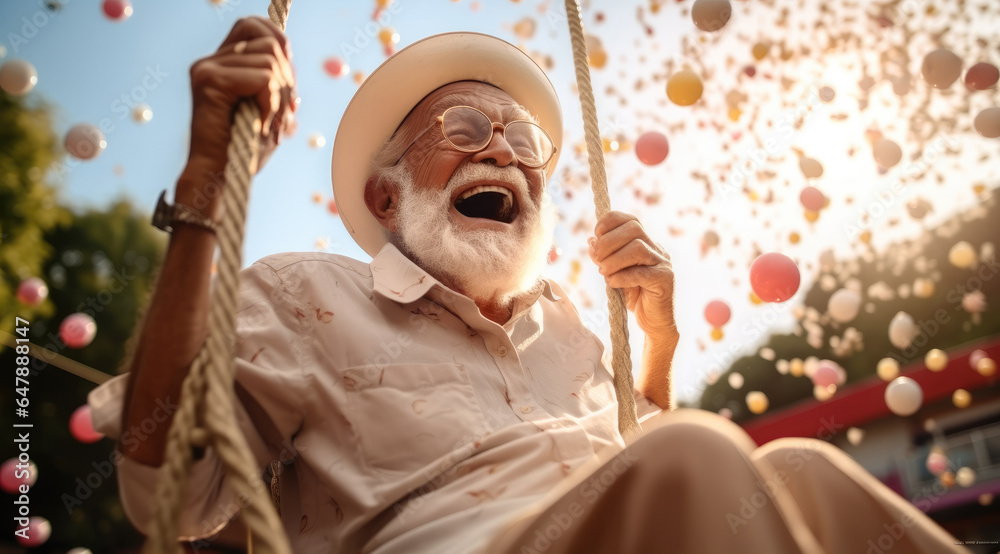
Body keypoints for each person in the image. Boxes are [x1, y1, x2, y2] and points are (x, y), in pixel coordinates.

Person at [88, 16, 967, 554]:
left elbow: (643, 464)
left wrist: (657, 343)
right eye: (465, 127)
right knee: (694, 455)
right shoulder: (301, 294)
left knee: (807, 473)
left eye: (520, 139)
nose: (501, 149)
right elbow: (168, 488)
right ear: (384, 196)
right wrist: (208, 175)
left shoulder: (574, 330)